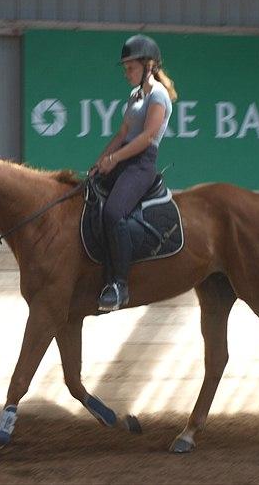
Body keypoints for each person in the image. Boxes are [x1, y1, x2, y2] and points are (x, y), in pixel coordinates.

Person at [91, 34, 178, 312]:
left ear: (148, 66)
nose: (126, 73)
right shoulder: (135, 95)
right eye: (125, 68)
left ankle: (120, 285)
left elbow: (146, 137)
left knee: (114, 212)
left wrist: (114, 159)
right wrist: (100, 160)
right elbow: (123, 133)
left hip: (141, 164)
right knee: (89, 197)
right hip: (123, 159)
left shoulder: (158, 96)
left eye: (131, 67)